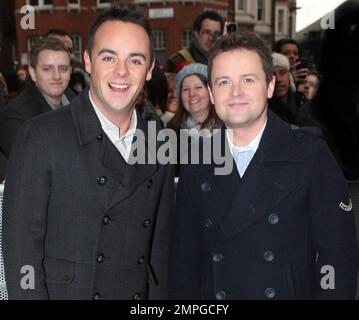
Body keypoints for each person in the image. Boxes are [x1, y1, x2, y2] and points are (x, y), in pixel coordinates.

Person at [169, 31, 358, 300]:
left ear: (269, 86)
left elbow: (337, 257)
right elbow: (183, 264)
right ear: (211, 93)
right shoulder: (197, 159)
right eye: (224, 82)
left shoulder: (310, 155)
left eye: (248, 79)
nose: (236, 92)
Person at [3, 3, 174, 300]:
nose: (121, 72)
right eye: (109, 57)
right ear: (88, 61)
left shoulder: (159, 141)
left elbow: (160, 249)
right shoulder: (42, 136)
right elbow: (22, 253)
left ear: (149, 71)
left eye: (135, 61)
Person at [0, 37, 73, 163]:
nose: (57, 76)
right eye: (47, 69)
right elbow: (33, 165)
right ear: (32, 73)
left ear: (70, 72)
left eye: (63, 69)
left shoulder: (78, 101)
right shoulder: (15, 116)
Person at [167, 63, 221, 136]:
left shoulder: (228, 129)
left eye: (198, 87)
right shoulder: (171, 130)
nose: (191, 94)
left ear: (210, 91)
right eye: (185, 89)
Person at [268, 52, 306, 126]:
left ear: (289, 76)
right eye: (272, 75)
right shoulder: (263, 112)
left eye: (282, 73)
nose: (278, 79)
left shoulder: (302, 100)